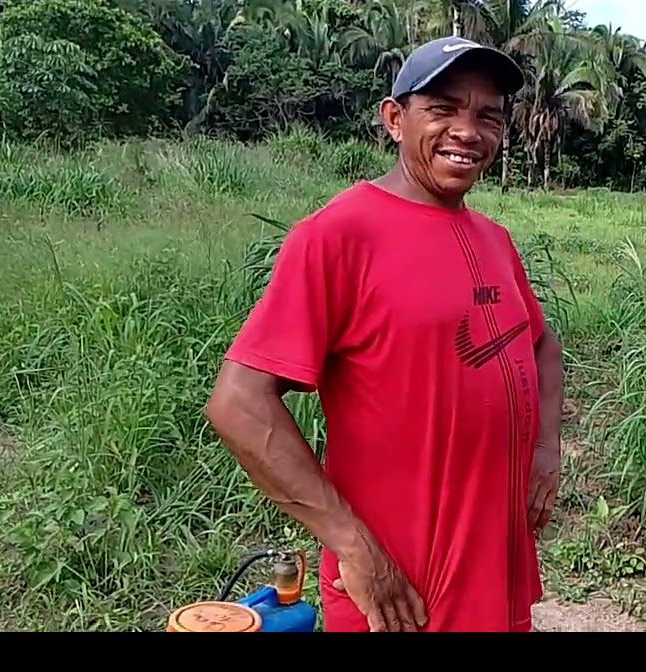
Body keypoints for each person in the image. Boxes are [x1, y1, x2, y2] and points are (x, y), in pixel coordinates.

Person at [204, 35, 564, 633]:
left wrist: (545, 451)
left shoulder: (494, 240)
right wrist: (354, 545)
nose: (468, 131)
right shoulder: (338, 236)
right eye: (443, 109)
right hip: (401, 592)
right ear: (395, 119)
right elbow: (238, 403)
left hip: (495, 564)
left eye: (488, 116)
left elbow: (541, 345)